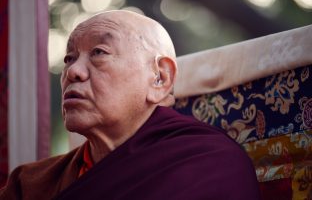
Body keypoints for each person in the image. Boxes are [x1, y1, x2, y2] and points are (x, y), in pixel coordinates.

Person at [0, 10, 260, 199]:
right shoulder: (30, 184)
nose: (72, 72)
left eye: (99, 52)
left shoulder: (209, 163)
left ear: (160, 78)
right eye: (69, 58)